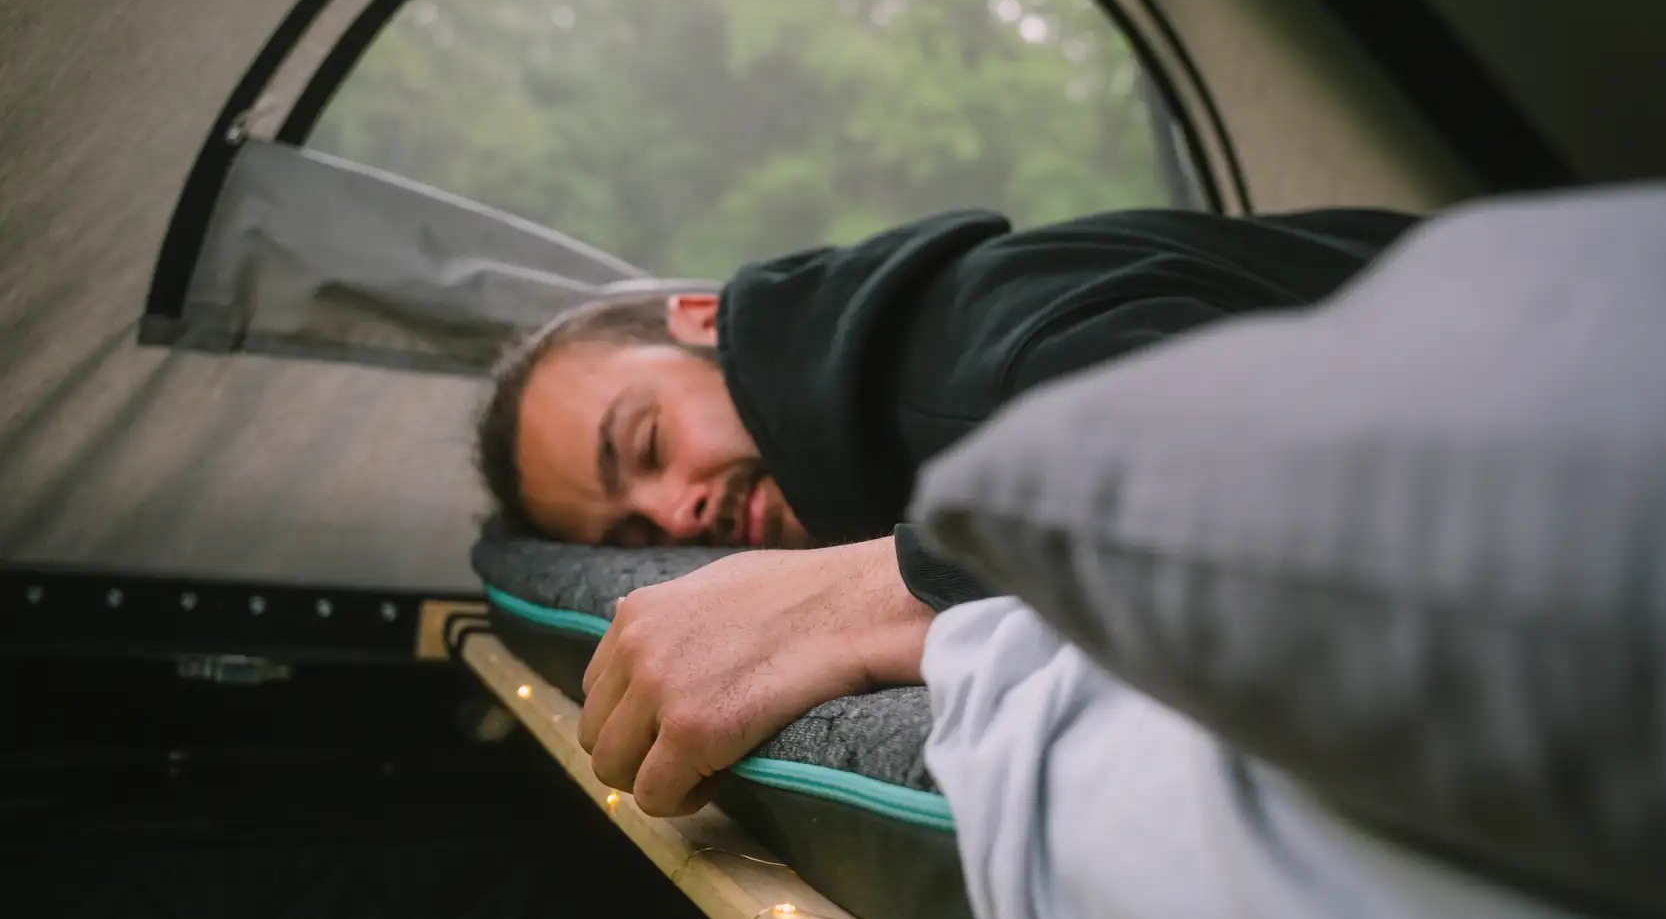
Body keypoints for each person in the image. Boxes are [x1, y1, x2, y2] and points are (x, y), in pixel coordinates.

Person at [476, 206, 1419, 816]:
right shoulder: (878, 435)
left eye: (645, 444)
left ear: (698, 316)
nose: (676, 515)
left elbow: (1299, 474)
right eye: (634, 536)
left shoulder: (985, 342)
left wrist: (860, 598)